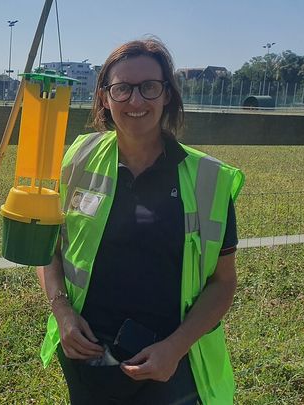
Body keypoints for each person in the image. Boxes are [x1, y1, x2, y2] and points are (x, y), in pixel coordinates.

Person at [37, 38, 244, 404]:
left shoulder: (209, 179)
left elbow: (223, 283)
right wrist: (63, 313)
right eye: (122, 89)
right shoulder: (77, 158)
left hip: (170, 363)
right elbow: (48, 248)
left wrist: (175, 348)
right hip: (88, 356)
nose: (136, 101)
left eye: (149, 87)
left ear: (167, 95)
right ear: (104, 97)